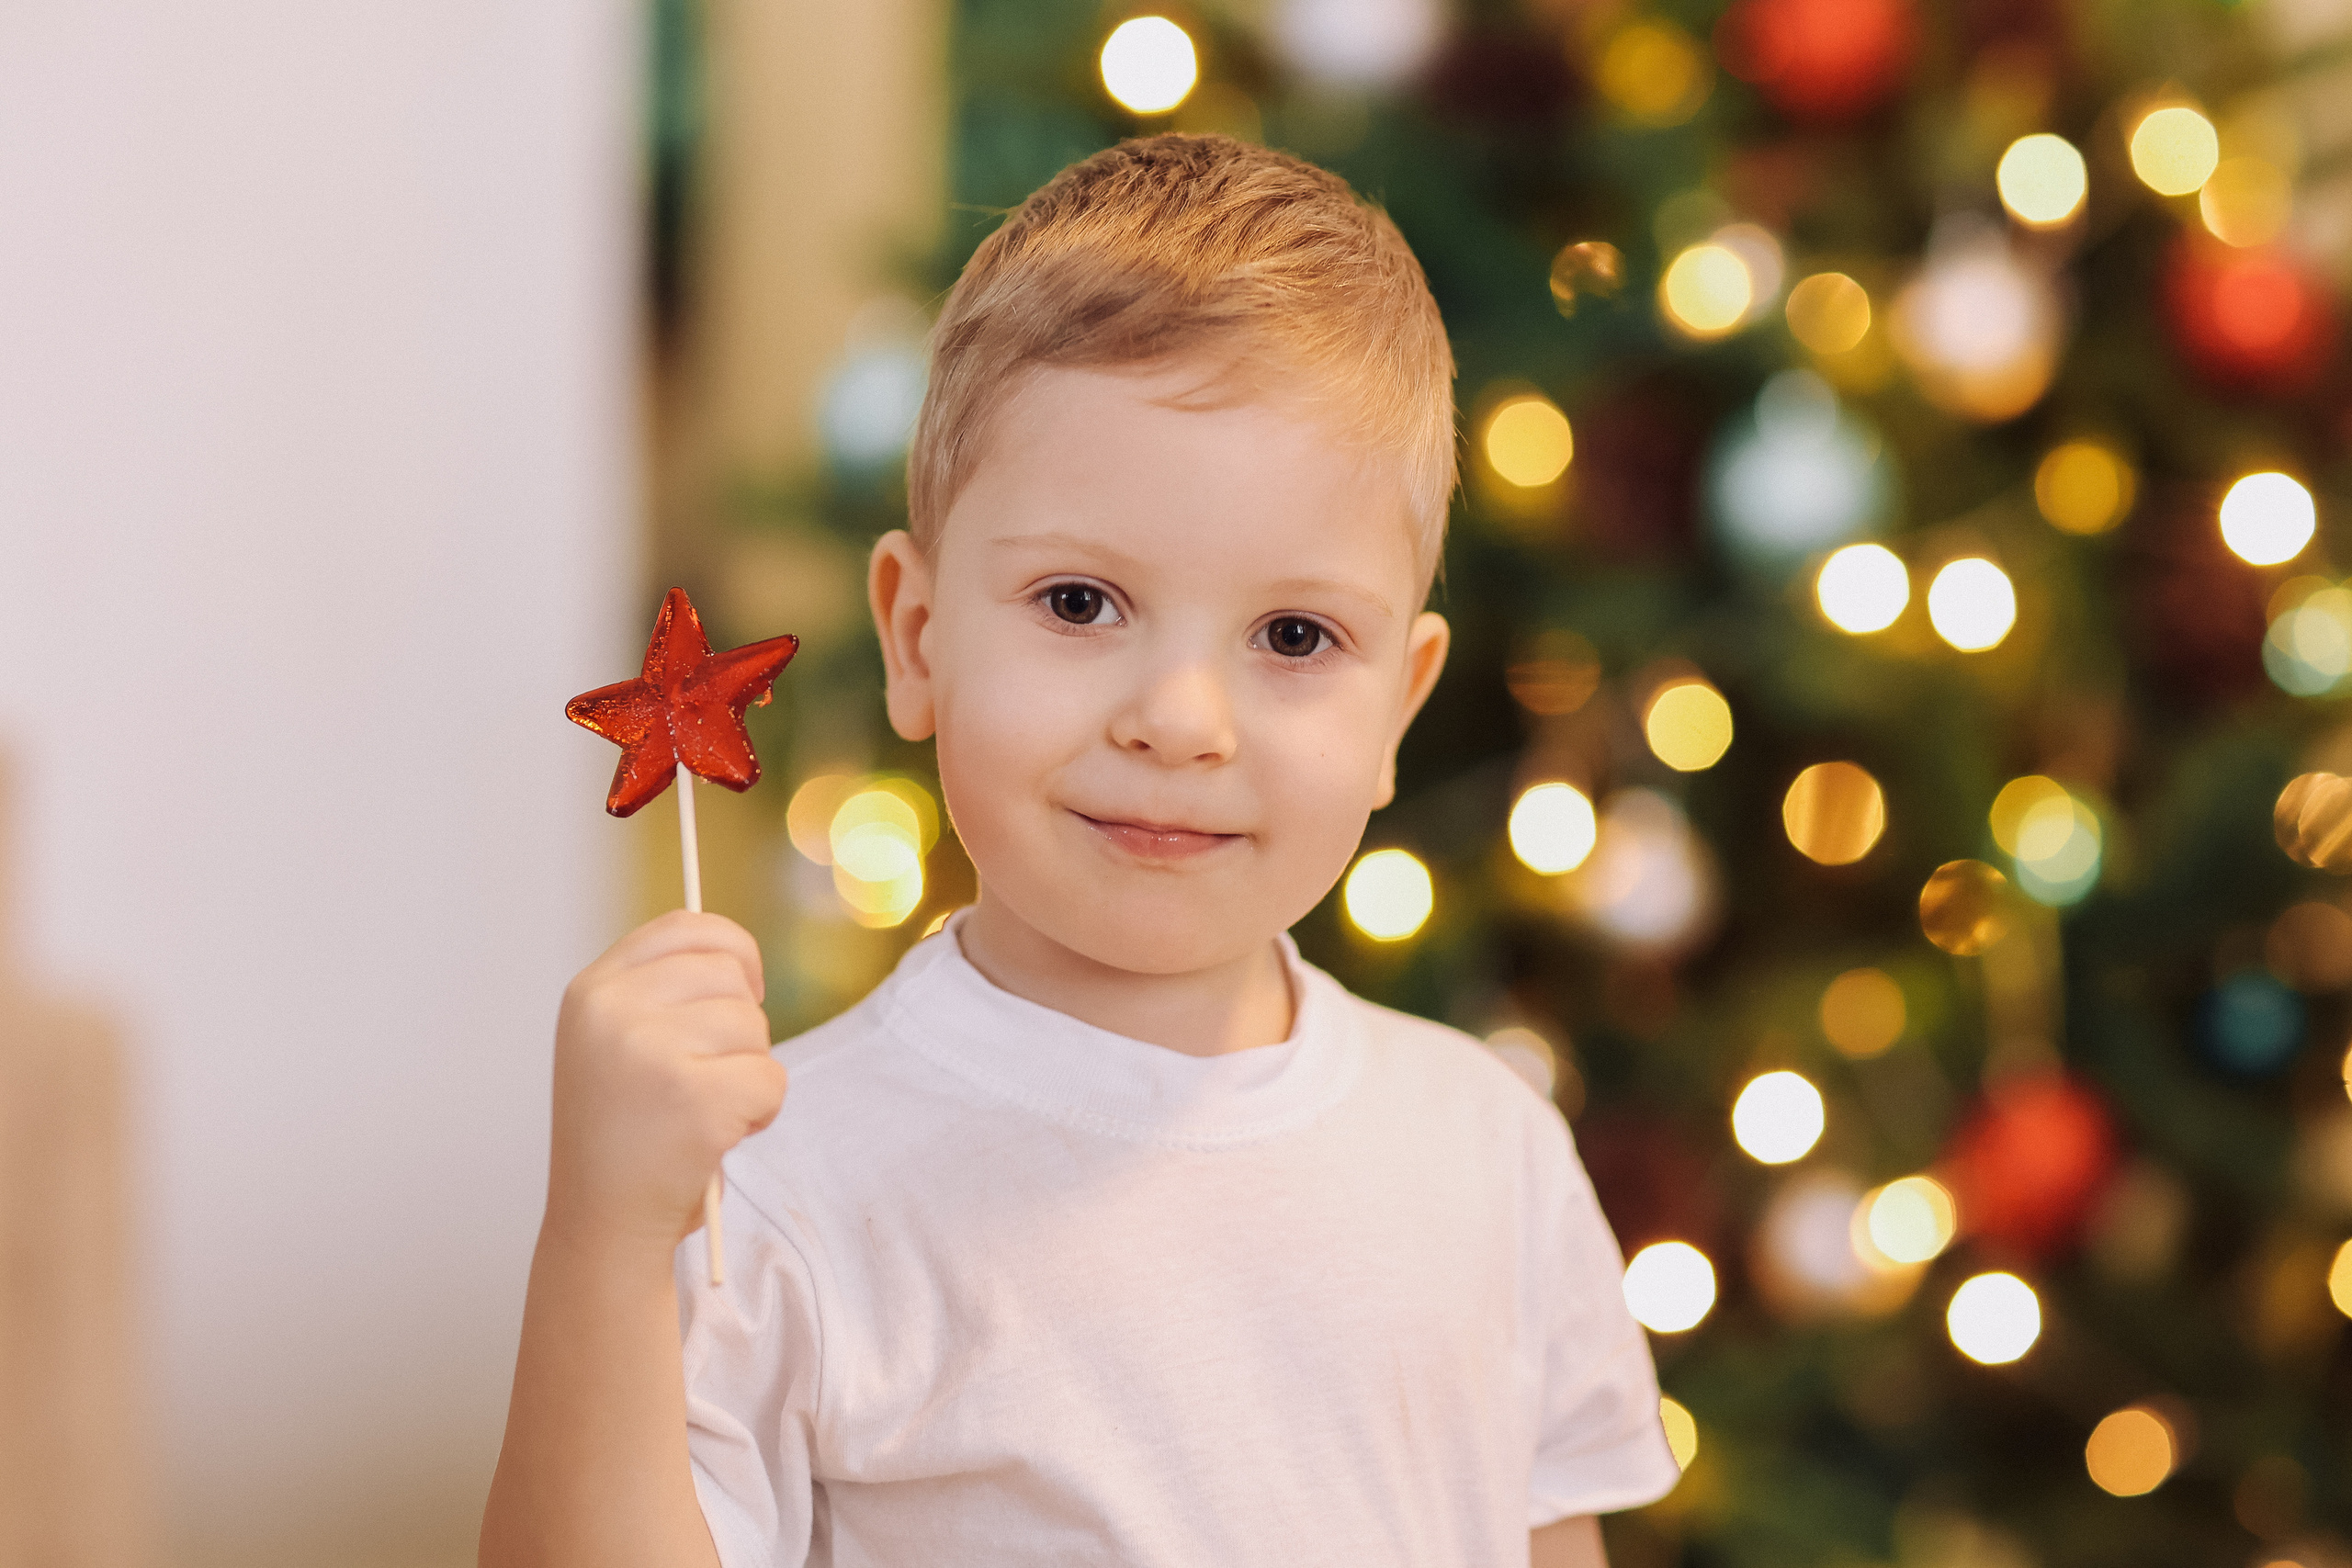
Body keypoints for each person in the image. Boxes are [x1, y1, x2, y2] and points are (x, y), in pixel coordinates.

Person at [480, 133, 1678, 1568]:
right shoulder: (774, 1190)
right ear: (918, 638)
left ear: (1399, 710)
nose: (1180, 721)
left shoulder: (1490, 1151)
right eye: (1079, 603)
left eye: (1296, 635)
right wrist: (604, 1241)